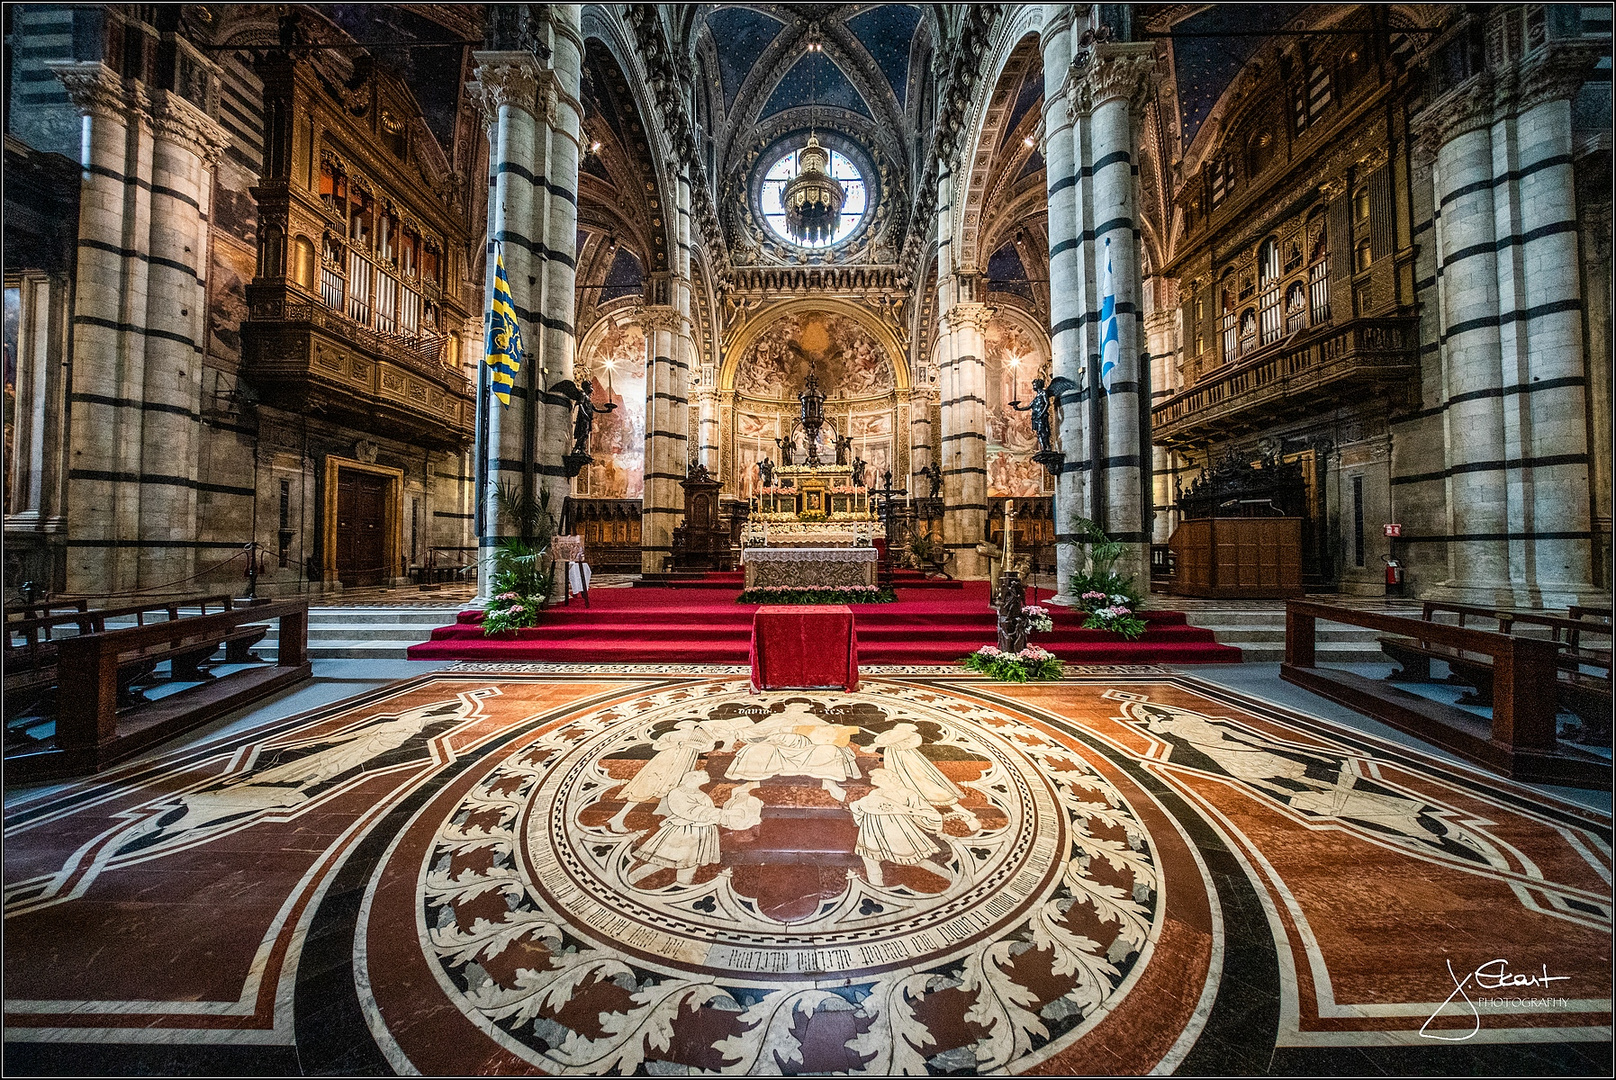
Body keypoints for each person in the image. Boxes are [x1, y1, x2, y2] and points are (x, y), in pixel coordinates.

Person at [628, 772, 762, 886]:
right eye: (699, 774)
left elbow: (710, 813)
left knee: (691, 865)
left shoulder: (701, 794)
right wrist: (723, 814)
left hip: (703, 832)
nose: (704, 775)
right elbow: (688, 811)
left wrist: (734, 817)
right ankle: (631, 881)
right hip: (683, 831)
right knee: (662, 861)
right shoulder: (678, 792)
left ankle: (682, 889)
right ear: (691, 778)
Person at [870, 723, 981, 830]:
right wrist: (879, 744)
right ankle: (961, 813)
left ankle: (965, 814)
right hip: (896, 760)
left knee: (927, 787)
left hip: (908, 762)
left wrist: (884, 744)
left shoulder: (912, 738)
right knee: (908, 786)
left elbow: (902, 744)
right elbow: (882, 741)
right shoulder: (894, 740)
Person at [849, 768, 948, 888]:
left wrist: (902, 809)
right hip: (873, 832)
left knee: (916, 861)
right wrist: (858, 809)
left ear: (891, 779)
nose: (874, 779)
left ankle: (949, 875)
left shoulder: (907, 794)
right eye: (874, 777)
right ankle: (878, 891)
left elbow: (930, 813)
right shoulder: (875, 793)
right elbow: (863, 812)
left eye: (879, 777)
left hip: (898, 832)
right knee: (870, 861)